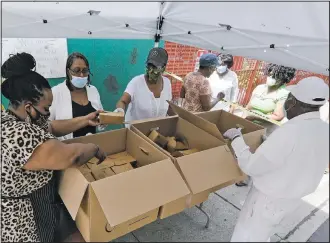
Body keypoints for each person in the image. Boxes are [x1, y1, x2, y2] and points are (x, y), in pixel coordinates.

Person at [1, 53, 106, 242]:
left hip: (43, 201)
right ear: (28, 107)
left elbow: (51, 127)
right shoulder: (15, 133)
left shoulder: (26, 117)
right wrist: (94, 147)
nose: (48, 114)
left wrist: (85, 119)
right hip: (22, 217)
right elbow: (70, 157)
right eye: (46, 109)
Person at [223, 77, 329, 242]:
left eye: (289, 99)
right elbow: (300, 157)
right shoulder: (325, 129)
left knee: (247, 236)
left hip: (267, 200)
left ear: (293, 102)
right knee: (263, 234)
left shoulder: (291, 131)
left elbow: (251, 167)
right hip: (290, 201)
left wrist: (237, 139)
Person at [235, 64, 296, 187]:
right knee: (245, 151)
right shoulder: (259, 88)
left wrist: (256, 116)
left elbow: (278, 115)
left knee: (258, 156)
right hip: (250, 125)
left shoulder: (284, 93)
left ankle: (248, 178)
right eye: (270, 74)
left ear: (283, 78)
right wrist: (245, 115)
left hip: (267, 130)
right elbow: (249, 106)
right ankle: (241, 174)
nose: (271, 77)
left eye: (275, 76)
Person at [50, 52, 104, 140]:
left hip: (91, 146)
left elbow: (99, 117)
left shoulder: (93, 90)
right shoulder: (56, 92)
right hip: (67, 148)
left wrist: (104, 120)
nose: (81, 75)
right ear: (68, 72)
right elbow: (47, 126)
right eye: (77, 70)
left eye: (85, 70)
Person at [115, 47, 173, 126]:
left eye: (155, 67)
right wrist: (120, 111)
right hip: (135, 132)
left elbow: (169, 107)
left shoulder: (167, 83)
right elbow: (123, 101)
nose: (150, 71)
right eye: (149, 66)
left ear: (163, 68)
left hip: (156, 133)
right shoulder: (136, 82)